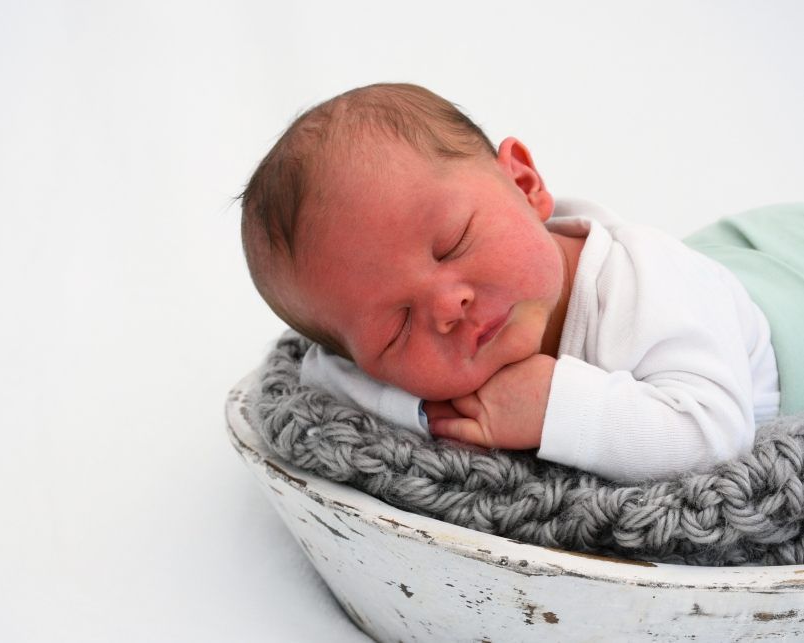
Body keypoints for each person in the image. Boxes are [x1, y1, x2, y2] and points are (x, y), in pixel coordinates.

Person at [240, 82, 803, 482]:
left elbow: (716, 436)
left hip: (783, 308)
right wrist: (428, 413)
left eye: (453, 242)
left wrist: (554, 405)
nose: (447, 306)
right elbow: (321, 375)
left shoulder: (649, 288)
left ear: (525, 182)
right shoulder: (384, 361)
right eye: (397, 327)